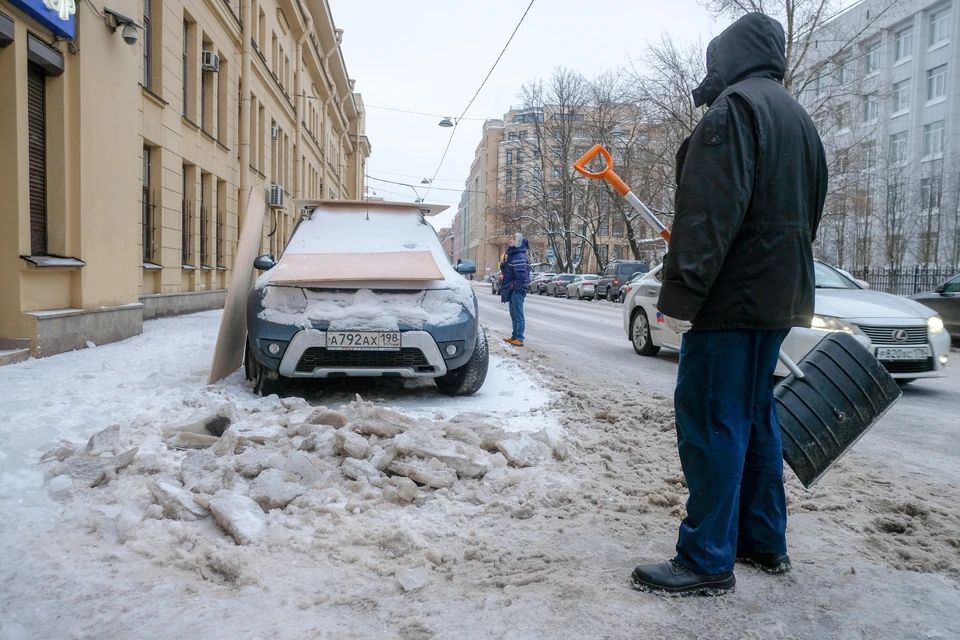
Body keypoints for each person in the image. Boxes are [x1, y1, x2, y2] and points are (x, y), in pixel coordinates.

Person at [630, 13, 827, 596]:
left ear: (729, 57)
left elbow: (708, 215)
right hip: (779, 294)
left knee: (713, 419)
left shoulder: (733, 112)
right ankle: (763, 543)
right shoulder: (797, 118)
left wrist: (682, 296)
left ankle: (707, 558)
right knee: (756, 416)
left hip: (731, 299)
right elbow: (808, 214)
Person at [500, 233, 530, 347]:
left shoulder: (519, 257)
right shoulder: (512, 255)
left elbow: (522, 277)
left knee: (518, 314)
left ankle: (519, 338)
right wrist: (502, 264)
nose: (510, 240)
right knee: (513, 314)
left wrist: (514, 286)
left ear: (518, 242)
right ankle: (514, 336)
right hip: (512, 288)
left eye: (513, 239)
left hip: (517, 289)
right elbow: (507, 272)